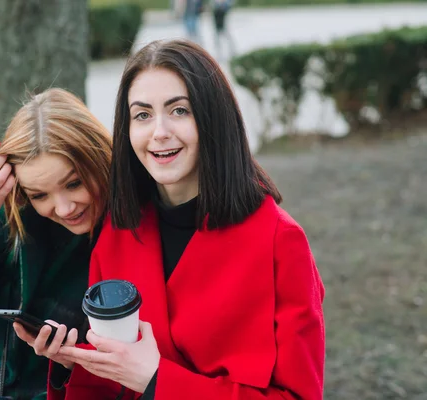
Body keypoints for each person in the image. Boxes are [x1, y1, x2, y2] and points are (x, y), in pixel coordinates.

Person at [52, 39, 326, 399]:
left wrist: (157, 381)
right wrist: (69, 363)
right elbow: (108, 378)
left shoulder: (279, 241)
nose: (159, 132)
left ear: (213, 118)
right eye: (142, 115)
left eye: (180, 110)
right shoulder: (118, 232)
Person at [0, 88, 112, 400]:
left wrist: (69, 360)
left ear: (98, 157)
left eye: (74, 183)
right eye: (40, 194)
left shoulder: (135, 230)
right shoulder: (13, 215)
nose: (64, 208)